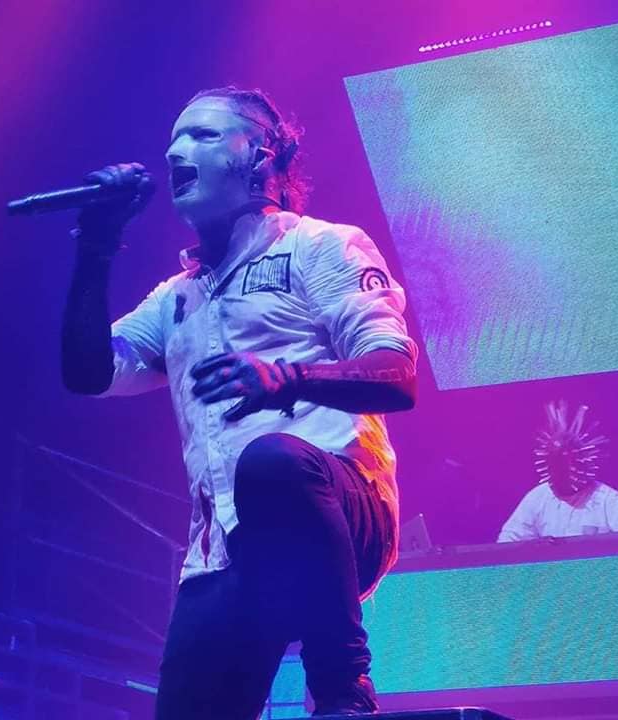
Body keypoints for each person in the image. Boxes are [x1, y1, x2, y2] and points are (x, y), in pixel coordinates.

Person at [61, 86, 418, 719]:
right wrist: (96, 246)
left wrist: (287, 377)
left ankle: (343, 688)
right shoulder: (177, 297)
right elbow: (88, 373)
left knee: (271, 461)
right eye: (174, 139)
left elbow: (396, 375)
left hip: (337, 509)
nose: (176, 151)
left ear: (262, 155)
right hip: (225, 553)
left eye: (201, 135)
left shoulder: (322, 246)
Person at [498, 401, 618, 542]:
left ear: (584, 463)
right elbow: (508, 542)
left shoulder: (606, 498)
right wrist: (534, 548)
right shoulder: (537, 498)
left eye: (571, 465)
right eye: (558, 466)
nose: (564, 472)